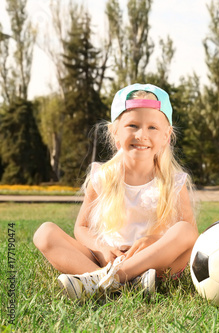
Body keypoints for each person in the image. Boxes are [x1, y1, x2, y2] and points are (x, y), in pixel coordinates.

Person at [33, 83, 198, 301]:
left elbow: (190, 235)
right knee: (44, 233)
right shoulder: (102, 177)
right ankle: (117, 281)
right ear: (115, 134)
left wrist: (154, 240)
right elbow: (81, 227)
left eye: (152, 127)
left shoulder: (173, 182)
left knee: (185, 230)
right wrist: (102, 249)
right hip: (106, 259)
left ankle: (107, 281)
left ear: (166, 136)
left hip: (154, 265)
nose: (142, 134)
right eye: (132, 125)